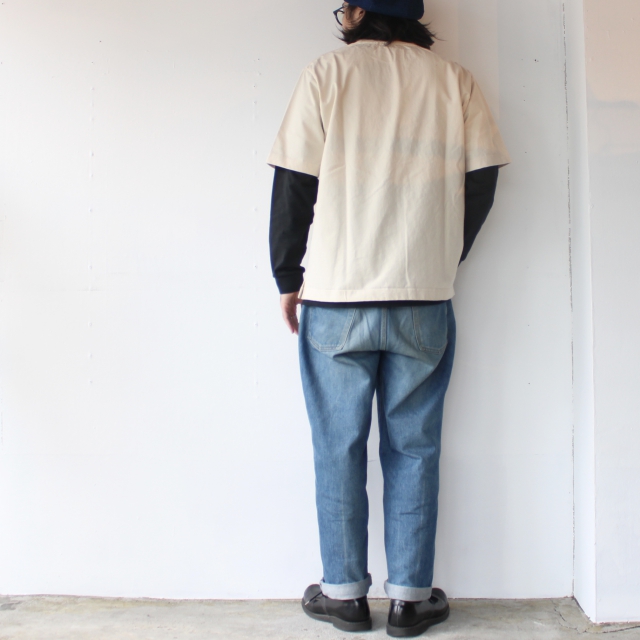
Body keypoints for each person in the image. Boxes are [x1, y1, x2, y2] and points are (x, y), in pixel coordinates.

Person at [267, 1, 510, 636]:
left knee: (337, 447)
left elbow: (293, 181)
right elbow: (483, 178)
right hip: (422, 297)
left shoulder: (326, 73)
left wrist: (287, 276)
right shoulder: (454, 80)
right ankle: (410, 599)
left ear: (357, 13)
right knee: (414, 447)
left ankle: (343, 595)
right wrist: (444, 253)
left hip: (336, 295)